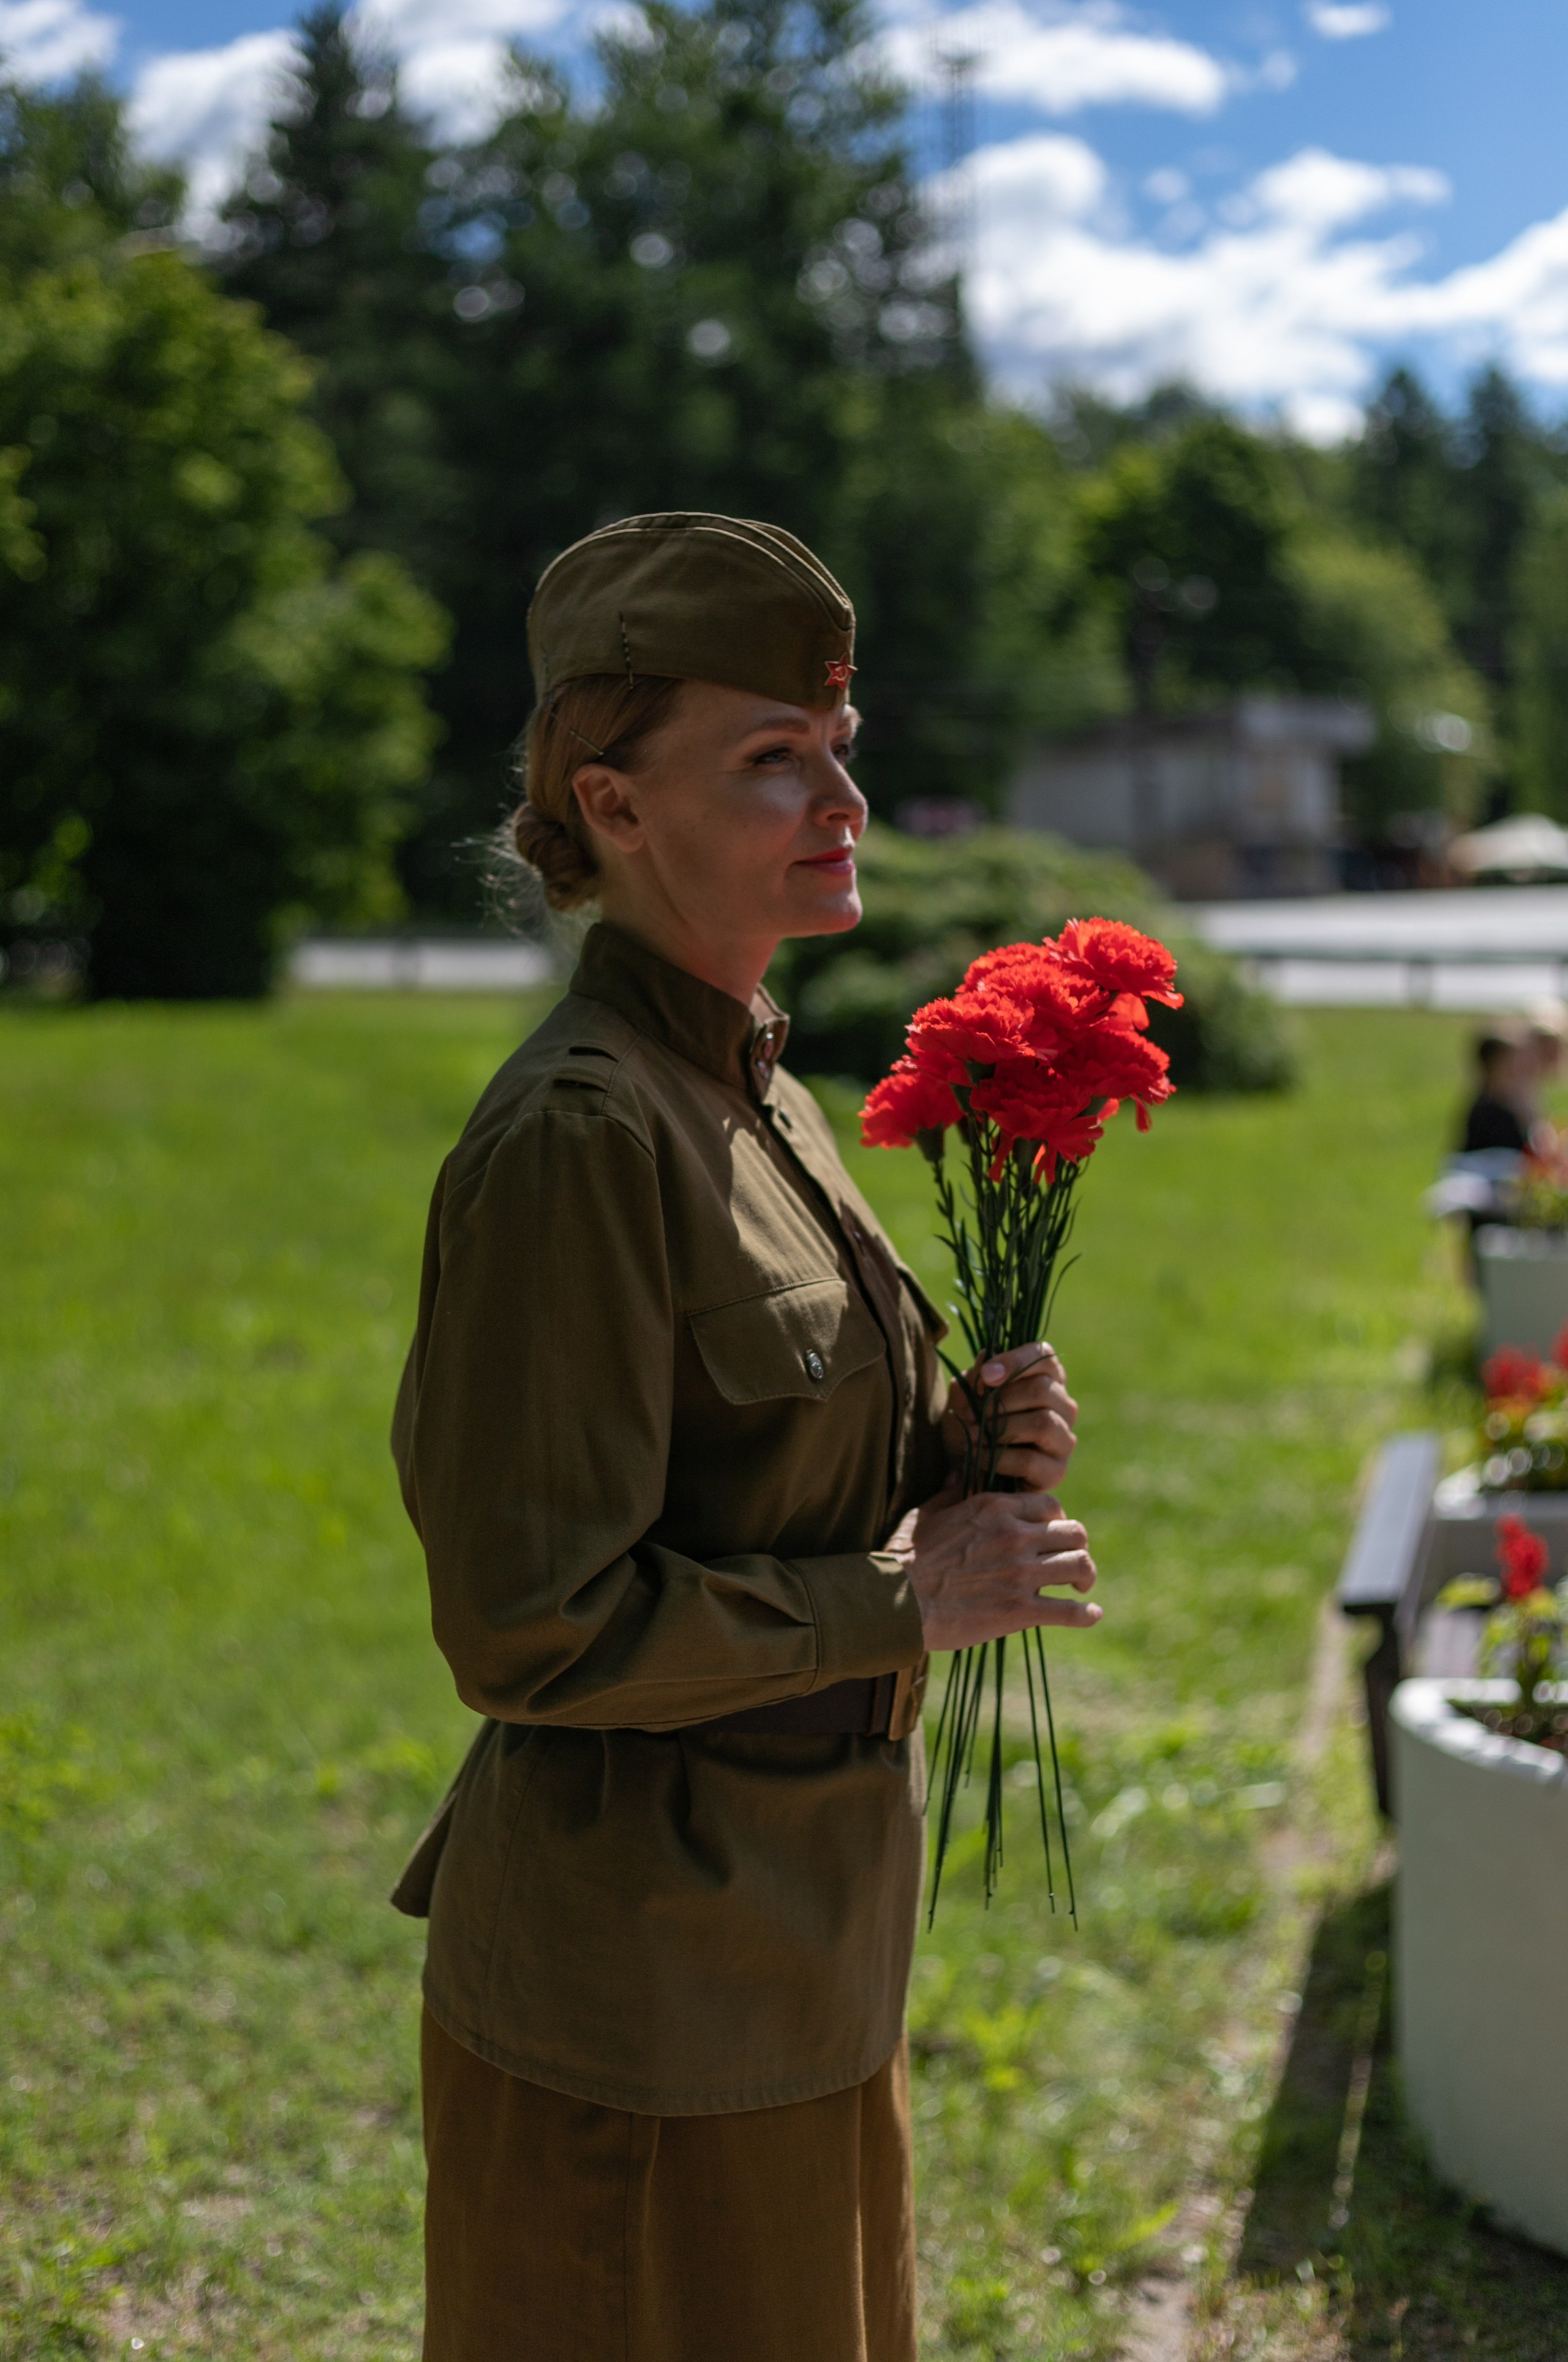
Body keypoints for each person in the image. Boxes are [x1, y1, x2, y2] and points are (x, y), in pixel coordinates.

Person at [389, 513, 1101, 2362]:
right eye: (770, 756)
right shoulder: (582, 1134)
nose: (841, 796)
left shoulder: (749, 1082)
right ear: (609, 804)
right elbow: (530, 1620)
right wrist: (903, 1594)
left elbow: (756, 1456)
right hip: (642, 2005)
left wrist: (954, 1446)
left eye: (835, 742)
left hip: (795, 1949)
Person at [1460, 1022, 1532, 1155]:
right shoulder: (1487, 1111)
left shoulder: (1510, 1102)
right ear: (1492, 1064)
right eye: (1509, 1063)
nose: (1515, 1069)